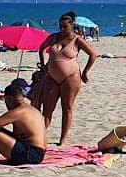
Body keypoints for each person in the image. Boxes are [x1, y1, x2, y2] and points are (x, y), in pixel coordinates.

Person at [37, 12, 98, 146]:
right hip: (52, 77)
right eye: (60, 26)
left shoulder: (77, 39)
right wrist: (43, 65)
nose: (62, 29)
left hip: (70, 77)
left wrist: (85, 73)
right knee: (47, 109)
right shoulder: (53, 38)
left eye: (65, 26)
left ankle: (63, 138)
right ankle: (40, 135)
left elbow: (93, 55)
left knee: (67, 108)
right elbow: (41, 48)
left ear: (71, 25)